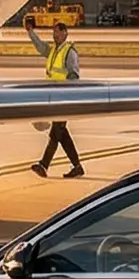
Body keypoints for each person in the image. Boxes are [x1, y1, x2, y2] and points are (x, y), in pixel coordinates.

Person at [25, 17, 84, 178]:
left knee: (55, 133)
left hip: (64, 98)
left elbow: (74, 75)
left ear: (65, 33)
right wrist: (31, 32)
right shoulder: (53, 51)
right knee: (62, 134)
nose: (54, 36)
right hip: (54, 98)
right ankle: (77, 166)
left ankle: (44, 165)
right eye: (53, 33)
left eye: (57, 33)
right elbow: (40, 47)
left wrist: (70, 96)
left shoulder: (69, 52)